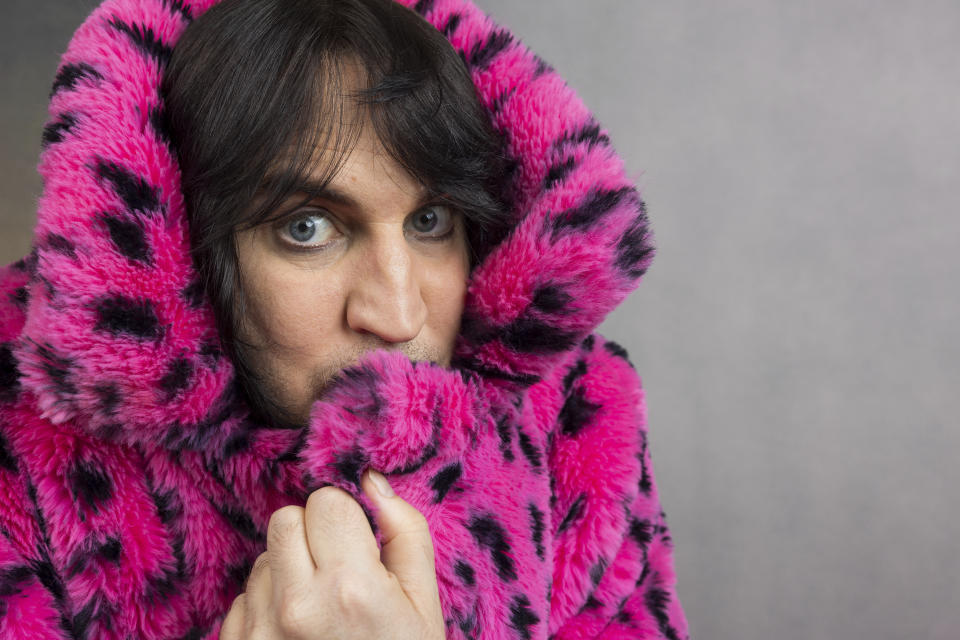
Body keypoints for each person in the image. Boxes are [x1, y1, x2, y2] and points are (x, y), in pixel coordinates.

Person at [0, 0, 689, 638]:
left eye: (430, 220)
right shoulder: (20, 452)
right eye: (307, 227)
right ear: (179, 252)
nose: (397, 313)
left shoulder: (576, 429)